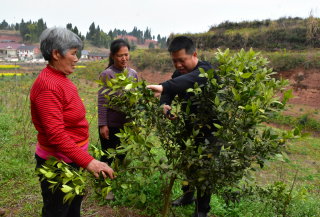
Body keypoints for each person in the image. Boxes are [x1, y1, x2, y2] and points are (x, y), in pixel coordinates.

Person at [30, 27, 114, 217]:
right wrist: (89, 162)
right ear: (56, 54)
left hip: (72, 159)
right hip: (59, 164)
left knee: (72, 208)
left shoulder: (60, 78)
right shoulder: (48, 87)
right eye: (74, 54)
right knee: (57, 211)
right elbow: (57, 135)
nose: (77, 59)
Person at [147, 36, 219, 217]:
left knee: (204, 170)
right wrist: (165, 104)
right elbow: (172, 88)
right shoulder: (179, 74)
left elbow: (180, 83)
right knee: (188, 165)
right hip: (190, 128)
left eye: (182, 60)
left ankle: (202, 211)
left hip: (211, 131)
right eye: (174, 61)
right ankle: (188, 196)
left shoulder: (206, 71)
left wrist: (163, 87)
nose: (178, 65)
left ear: (194, 55)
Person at [98, 39, 139, 199]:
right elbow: (102, 102)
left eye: (126, 54)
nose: (124, 58)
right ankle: (106, 187)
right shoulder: (107, 74)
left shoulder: (133, 74)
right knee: (108, 155)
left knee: (121, 155)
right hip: (111, 124)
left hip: (126, 125)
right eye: (120, 55)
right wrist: (103, 125)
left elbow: (135, 97)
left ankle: (117, 180)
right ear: (112, 56)